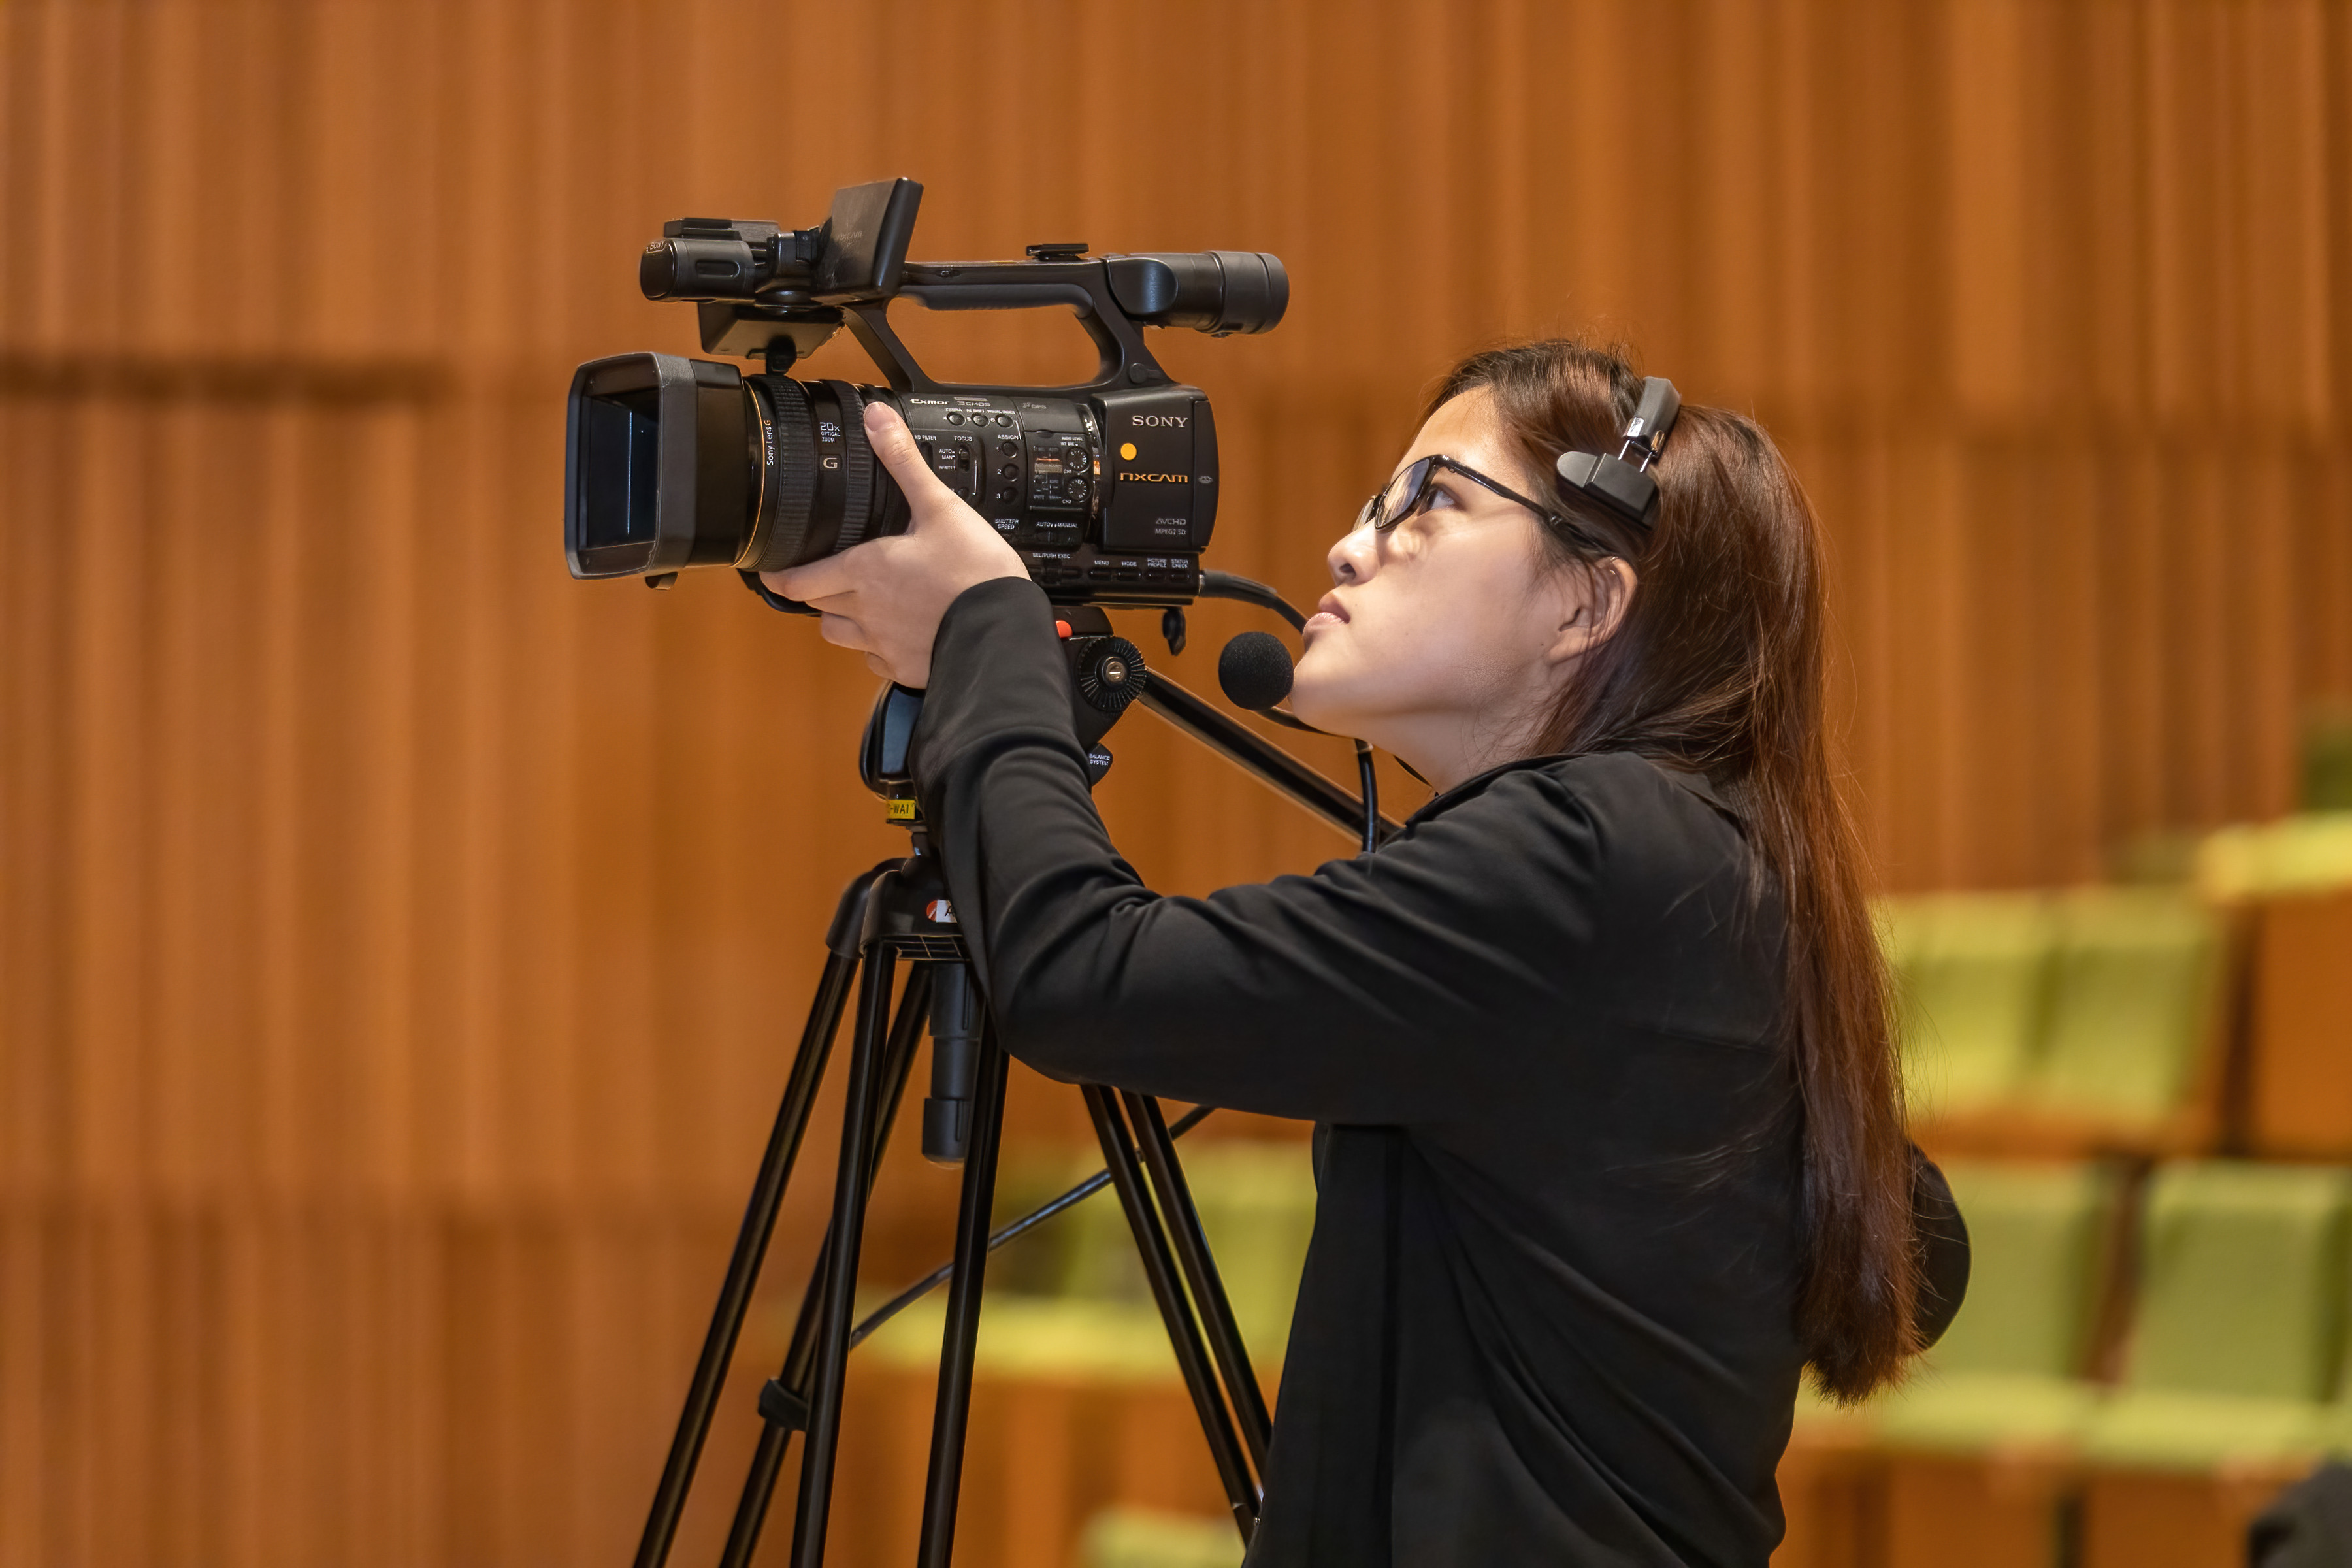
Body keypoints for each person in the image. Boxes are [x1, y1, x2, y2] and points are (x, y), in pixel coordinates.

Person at [766, 340, 1966, 1567]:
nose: (1350, 547)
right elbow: (1924, 1242)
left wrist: (989, 637)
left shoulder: (1595, 853)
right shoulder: (1686, 860)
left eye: (1430, 502)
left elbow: (1081, 979)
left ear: (1586, 605)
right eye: (1375, 502)